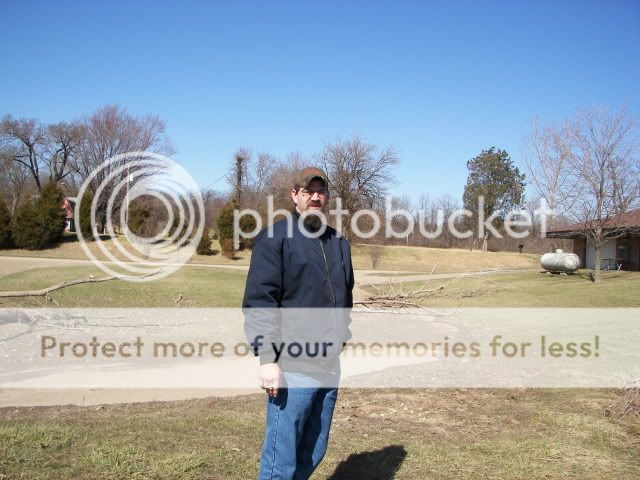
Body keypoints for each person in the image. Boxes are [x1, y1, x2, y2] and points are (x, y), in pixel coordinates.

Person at [242, 167, 354, 480]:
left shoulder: (338, 243)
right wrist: (267, 360)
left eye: (321, 191)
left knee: (314, 450)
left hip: (329, 365)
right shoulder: (275, 238)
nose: (316, 196)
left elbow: (345, 295)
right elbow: (260, 301)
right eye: (308, 191)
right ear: (295, 196)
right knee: (282, 461)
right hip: (292, 367)